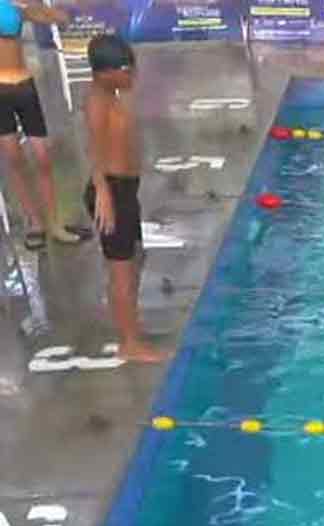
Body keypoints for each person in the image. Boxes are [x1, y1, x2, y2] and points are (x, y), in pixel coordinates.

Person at [84, 34, 166, 364]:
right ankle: (130, 343)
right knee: (122, 271)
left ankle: (130, 326)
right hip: (112, 193)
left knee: (133, 262)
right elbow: (93, 150)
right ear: (105, 73)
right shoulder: (96, 102)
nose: (133, 76)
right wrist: (103, 192)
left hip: (124, 191)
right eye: (126, 70)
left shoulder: (110, 94)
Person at [0, 0, 80, 249]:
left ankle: (54, 223)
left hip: (23, 84)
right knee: (14, 158)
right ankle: (34, 222)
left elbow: (49, 15)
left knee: (42, 156)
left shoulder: (12, 6)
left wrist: (57, 15)